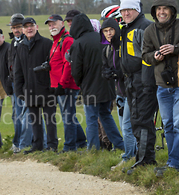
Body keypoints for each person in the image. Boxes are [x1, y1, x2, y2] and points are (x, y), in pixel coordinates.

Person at [70, 13, 124, 152]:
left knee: (92, 119)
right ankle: (120, 145)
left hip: (90, 87)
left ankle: (93, 150)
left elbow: (76, 70)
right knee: (106, 116)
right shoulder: (101, 38)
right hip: (107, 85)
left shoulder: (78, 43)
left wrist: (80, 84)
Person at [119, 0, 157, 173]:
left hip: (144, 83)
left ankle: (145, 161)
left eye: (130, 9)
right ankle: (141, 158)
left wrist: (147, 83)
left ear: (137, 9)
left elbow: (148, 59)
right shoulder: (126, 28)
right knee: (136, 121)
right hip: (131, 82)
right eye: (123, 10)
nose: (126, 13)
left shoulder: (144, 27)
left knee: (142, 121)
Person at [142, 0, 179, 177]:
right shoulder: (149, 31)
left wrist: (175, 49)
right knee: (169, 125)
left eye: (165, 8)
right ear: (154, 12)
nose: (161, 12)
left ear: (172, 11)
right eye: (158, 9)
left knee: (178, 124)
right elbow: (145, 54)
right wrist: (154, 56)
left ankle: (174, 162)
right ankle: (174, 163)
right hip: (162, 86)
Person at [14, 17, 58, 154]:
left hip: (47, 89)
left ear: (36, 27)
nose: (29, 28)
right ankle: (37, 145)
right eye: (26, 27)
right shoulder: (20, 47)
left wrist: (53, 87)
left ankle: (52, 146)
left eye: (31, 26)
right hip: (29, 90)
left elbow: (54, 66)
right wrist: (19, 90)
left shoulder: (46, 43)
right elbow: (18, 71)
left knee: (50, 119)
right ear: (23, 30)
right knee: (35, 121)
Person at [46, 14, 86, 152]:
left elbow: (68, 64)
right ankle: (81, 142)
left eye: (54, 24)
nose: (52, 27)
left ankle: (69, 147)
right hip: (59, 85)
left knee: (68, 117)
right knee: (69, 115)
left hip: (66, 85)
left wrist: (62, 84)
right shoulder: (56, 41)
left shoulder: (67, 40)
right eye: (50, 25)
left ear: (62, 23)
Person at [101, 18, 136, 166]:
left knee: (127, 126)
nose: (109, 33)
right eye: (105, 31)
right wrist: (107, 73)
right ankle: (133, 155)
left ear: (116, 29)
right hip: (119, 92)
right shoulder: (107, 49)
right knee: (125, 127)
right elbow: (104, 67)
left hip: (131, 90)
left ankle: (129, 157)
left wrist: (119, 73)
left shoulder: (123, 45)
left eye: (111, 30)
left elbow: (132, 66)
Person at [7, 13, 32, 153]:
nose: (16, 30)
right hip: (14, 84)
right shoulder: (13, 42)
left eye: (18, 27)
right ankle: (17, 143)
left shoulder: (26, 41)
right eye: (13, 27)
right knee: (16, 115)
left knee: (26, 115)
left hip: (25, 84)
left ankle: (24, 144)